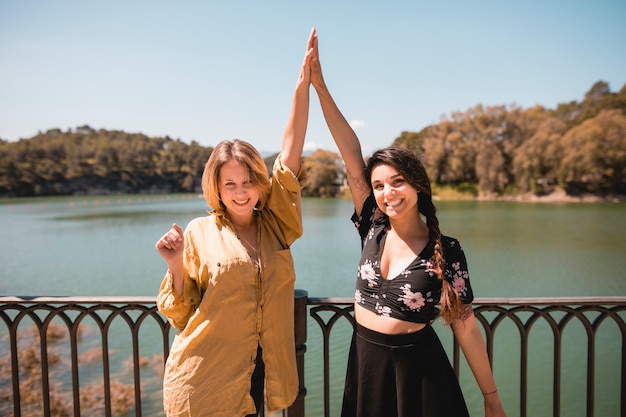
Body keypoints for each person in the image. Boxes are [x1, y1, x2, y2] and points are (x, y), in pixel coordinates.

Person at [309, 32, 508, 417]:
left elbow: (465, 328)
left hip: (418, 379)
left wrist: (491, 396)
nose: (387, 193)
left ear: (417, 185)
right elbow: (352, 155)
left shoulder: (447, 251)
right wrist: (319, 86)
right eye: (380, 185)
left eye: (397, 182)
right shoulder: (372, 227)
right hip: (365, 368)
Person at [154, 28, 316, 417]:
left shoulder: (277, 225)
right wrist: (174, 264)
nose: (241, 193)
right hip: (205, 376)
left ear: (260, 184)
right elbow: (180, 313)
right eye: (230, 184)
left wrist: (303, 85)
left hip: (262, 374)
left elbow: (291, 152)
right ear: (217, 187)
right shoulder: (199, 232)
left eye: (248, 182)